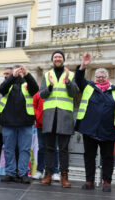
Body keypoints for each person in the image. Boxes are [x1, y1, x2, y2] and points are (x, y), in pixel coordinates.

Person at [75, 53, 115, 192]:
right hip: (89, 129)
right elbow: (78, 79)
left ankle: (106, 182)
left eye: (103, 76)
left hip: (108, 129)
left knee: (108, 158)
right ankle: (89, 181)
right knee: (89, 156)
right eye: (98, 76)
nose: (100, 78)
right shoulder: (88, 87)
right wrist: (83, 66)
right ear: (94, 78)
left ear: (108, 77)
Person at [40, 50, 79, 188]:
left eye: (60, 57)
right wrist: (50, 86)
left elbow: (74, 93)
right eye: (55, 57)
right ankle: (48, 174)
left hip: (65, 115)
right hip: (50, 115)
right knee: (49, 148)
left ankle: (64, 176)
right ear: (52, 60)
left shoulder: (71, 74)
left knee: (63, 149)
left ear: (63, 59)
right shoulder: (46, 75)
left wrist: (68, 80)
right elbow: (42, 95)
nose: (57, 59)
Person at [0, 64, 39, 183]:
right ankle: (10, 172)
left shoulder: (27, 82)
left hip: (26, 122)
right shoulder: (7, 82)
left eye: (21, 71)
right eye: (16, 71)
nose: (19, 72)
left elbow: (35, 89)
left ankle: (23, 173)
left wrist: (27, 74)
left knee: (24, 149)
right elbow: (1, 89)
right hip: (8, 121)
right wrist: (12, 77)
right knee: (9, 149)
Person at [0, 67, 19, 180]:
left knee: (13, 148)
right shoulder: (0, 87)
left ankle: (13, 170)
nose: (5, 75)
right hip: (1, 122)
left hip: (12, 123)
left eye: (8, 74)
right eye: (4, 73)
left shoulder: (16, 86)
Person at [32, 92, 60, 181]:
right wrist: (38, 117)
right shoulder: (38, 94)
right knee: (42, 148)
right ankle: (40, 171)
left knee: (54, 148)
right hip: (41, 125)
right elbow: (33, 107)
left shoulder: (57, 93)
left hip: (54, 125)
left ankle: (55, 172)